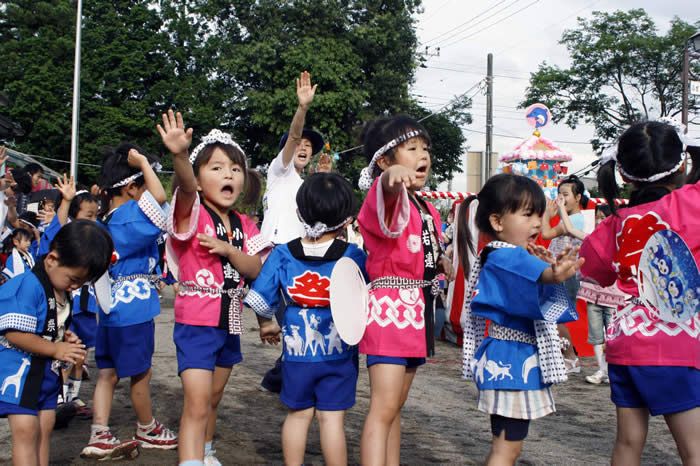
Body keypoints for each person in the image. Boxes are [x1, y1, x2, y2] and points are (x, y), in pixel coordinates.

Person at [579, 118, 700, 465]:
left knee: (628, 444)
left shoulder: (614, 223)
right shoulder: (690, 204)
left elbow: (594, 267)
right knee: (694, 450)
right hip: (672, 340)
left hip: (625, 338)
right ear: (681, 164)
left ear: (625, 175)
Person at [158, 110, 270, 466]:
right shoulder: (191, 211)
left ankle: (205, 452)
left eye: (235, 169)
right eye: (217, 168)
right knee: (197, 401)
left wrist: (228, 250)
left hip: (230, 322)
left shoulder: (244, 224)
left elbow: (255, 267)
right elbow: (186, 188)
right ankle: (189, 460)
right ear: (199, 176)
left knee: (215, 397)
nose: (228, 175)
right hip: (196, 322)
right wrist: (178, 155)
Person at [456, 174, 583, 465]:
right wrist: (554, 273)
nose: (538, 223)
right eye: (528, 215)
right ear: (498, 222)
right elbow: (543, 277)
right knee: (507, 449)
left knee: (506, 445)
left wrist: (546, 268)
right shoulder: (507, 255)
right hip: (512, 362)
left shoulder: (499, 254)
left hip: (507, 358)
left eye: (539, 214)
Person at [246, 172, 366, 466]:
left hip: (297, 355)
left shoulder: (283, 253)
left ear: (299, 213)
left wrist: (267, 324)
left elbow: (261, 297)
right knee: (331, 420)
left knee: (298, 416)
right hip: (339, 354)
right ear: (348, 219)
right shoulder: (353, 255)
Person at [356, 115, 454, 465]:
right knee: (383, 408)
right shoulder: (387, 195)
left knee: (396, 407)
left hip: (419, 311)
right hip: (390, 310)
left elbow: (424, 250)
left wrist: (441, 264)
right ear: (384, 160)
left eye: (424, 148)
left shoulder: (426, 206)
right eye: (411, 149)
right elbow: (385, 202)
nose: (422, 155)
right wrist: (388, 181)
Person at [81, 142, 176, 460]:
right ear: (133, 187)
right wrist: (143, 162)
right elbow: (160, 199)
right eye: (143, 183)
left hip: (108, 310)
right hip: (133, 310)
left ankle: (100, 432)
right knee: (141, 372)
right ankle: (147, 427)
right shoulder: (131, 216)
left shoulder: (104, 222)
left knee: (107, 372)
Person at [0, 220, 113, 466]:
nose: (75, 286)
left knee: (44, 425)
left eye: (81, 283)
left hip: (45, 373)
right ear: (51, 258)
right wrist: (56, 348)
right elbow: (14, 334)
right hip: (21, 373)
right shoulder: (28, 285)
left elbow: (53, 325)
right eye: (73, 279)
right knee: (26, 430)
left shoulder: (60, 286)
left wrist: (64, 337)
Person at [258, 71, 329, 394]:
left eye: (309, 146)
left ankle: (280, 376)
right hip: (273, 254)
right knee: (287, 318)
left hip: (299, 258)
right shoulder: (279, 171)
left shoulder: (305, 186)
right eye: (299, 143)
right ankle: (283, 377)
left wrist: (325, 182)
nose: (304, 147)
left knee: (296, 319)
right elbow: (291, 138)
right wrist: (302, 109)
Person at [38, 176, 101, 420]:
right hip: (64, 308)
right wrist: (65, 200)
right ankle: (59, 398)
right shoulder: (68, 237)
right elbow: (56, 234)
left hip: (86, 305)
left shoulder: (95, 238)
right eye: (88, 215)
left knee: (79, 354)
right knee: (62, 354)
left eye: (96, 215)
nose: (94, 220)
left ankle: (71, 397)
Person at [569, 204, 627, 385]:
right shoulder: (592, 238)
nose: (599, 221)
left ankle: (611, 370)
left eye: (603, 217)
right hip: (592, 292)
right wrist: (562, 208)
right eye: (597, 217)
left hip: (614, 295)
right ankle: (602, 370)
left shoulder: (620, 241)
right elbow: (570, 229)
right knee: (596, 335)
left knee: (613, 335)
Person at [541, 175, 588, 373]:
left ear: (578, 197)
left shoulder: (576, 218)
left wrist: (546, 214)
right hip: (562, 270)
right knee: (553, 315)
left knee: (555, 315)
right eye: (559, 194)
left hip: (567, 273)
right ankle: (567, 357)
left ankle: (570, 358)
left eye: (565, 194)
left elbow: (546, 234)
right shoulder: (571, 217)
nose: (560, 198)